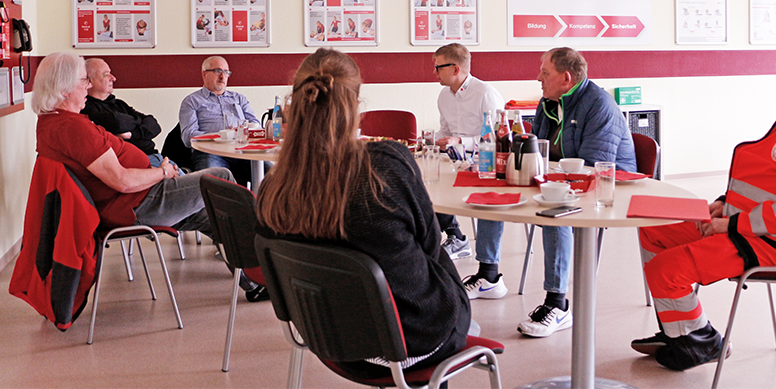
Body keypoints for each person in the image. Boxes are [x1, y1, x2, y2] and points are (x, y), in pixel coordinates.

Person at [632, 35, 776, 371]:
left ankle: (701, 341)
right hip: (747, 225)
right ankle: (679, 331)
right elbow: (768, 175)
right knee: (654, 229)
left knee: (665, 270)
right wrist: (725, 202)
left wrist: (732, 223)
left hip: (775, 243)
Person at [256, 48, 470, 378]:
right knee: (438, 253)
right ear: (356, 106)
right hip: (415, 340)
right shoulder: (387, 163)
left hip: (330, 338)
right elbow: (429, 245)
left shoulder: (274, 187)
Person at [463, 47, 636, 339]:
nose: (538, 79)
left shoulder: (600, 105)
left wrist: (546, 174)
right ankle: (488, 274)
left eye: (544, 73)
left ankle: (558, 304)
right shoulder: (548, 100)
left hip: (605, 188)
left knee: (555, 210)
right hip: (556, 178)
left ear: (566, 78)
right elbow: (537, 145)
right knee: (495, 190)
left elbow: (593, 168)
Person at [32, 52, 230, 237]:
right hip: (136, 205)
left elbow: (150, 123)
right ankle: (256, 257)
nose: (87, 86)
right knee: (221, 177)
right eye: (84, 80)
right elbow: (122, 180)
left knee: (220, 218)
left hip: (137, 197)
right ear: (65, 89)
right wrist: (163, 172)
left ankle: (248, 270)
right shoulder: (71, 127)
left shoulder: (55, 121)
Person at [432, 44, 505, 261]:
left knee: (438, 181)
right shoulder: (444, 96)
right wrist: (432, 141)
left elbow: (497, 140)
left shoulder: (486, 94)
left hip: (482, 161)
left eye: (438, 68)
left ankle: (460, 240)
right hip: (453, 159)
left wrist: (460, 141)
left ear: (455, 69)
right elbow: (444, 131)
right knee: (423, 180)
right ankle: (455, 236)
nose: (434, 73)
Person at [179, 56, 262, 186]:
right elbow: (187, 136)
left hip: (242, 152)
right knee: (214, 182)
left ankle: (264, 206)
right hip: (210, 153)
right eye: (218, 71)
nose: (223, 77)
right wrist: (222, 136)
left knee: (274, 174)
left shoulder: (239, 99)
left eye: (226, 72)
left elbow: (257, 127)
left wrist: (245, 131)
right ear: (204, 74)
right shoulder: (192, 101)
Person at [81, 58, 176, 172]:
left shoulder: (118, 103)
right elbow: (117, 123)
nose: (113, 78)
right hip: (139, 165)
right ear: (89, 81)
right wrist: (139, 121)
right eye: (106, 75)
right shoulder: (86, 107)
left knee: (196, 181)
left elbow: (154, 125)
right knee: (195, 185)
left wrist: (132, 134)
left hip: (158, 157)